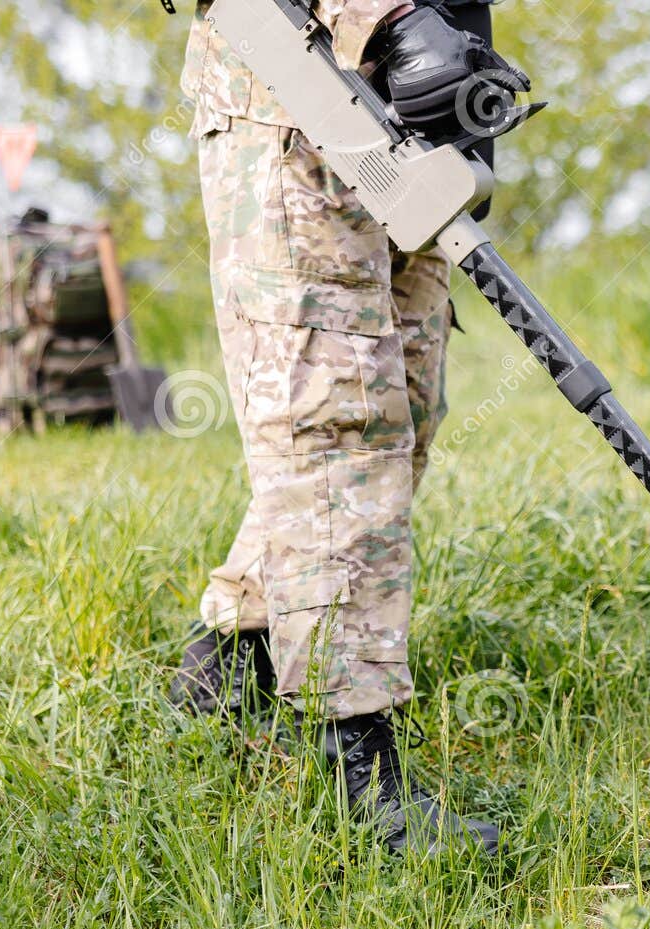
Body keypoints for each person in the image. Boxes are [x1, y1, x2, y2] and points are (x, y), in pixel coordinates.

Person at [168, 0, 525, 855]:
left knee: (403, 406)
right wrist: (386, 15)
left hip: (413, 105)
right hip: (291, 79)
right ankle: (360, 777)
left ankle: (226, 667)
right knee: (338, 422)